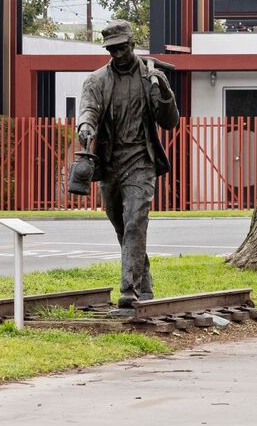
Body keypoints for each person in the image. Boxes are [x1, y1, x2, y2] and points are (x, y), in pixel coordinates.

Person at [77, 20, 179, 309]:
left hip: (140, 160)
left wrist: (165, 92)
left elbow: (169, 122)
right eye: (112, 50)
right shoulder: (97, 80)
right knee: (122, 225)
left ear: (132, 44)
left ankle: (129, 290)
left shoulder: (151, 77)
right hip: (109, 162)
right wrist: (85, 126)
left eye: (122, 48)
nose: (117, 54)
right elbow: (88, 109)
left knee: (135, 220)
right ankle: (144, 284)